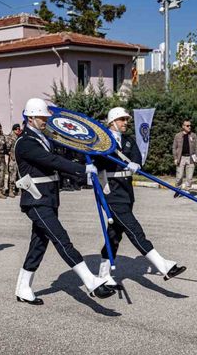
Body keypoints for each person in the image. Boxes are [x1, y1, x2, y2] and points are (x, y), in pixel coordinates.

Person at [13, 98, 115, 305]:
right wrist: (81, 169)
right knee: (61, 239)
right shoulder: (25, 142)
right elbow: (52, 161)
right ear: (31, 118)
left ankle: (23, 287)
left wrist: (85, 167)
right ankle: (91, 282)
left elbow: (59, 161)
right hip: (36, 200)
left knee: (38, 245)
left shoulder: (45, 138)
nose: (45, 121)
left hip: (49, 198)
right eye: (42, 118)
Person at [94, 107, 187, 287]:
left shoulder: (128, 141)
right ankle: (163, 266)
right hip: (111, 193)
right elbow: (96, 160)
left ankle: (104, 276)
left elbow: (137, 157)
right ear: (112, 121)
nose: (125, 123)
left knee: (114, 235)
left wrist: (136, 164)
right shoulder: (102, 142)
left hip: (127, 192)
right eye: (122, 120)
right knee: (134, 229)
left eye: (127, 120)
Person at [172, 119, 197, 197]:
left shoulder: (193, 135)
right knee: (179, 176)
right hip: (181, 158)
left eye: (190, 125)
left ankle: (187, 190)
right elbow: (174, 147)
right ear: (183, 126)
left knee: (189, 177)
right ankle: (177, 189)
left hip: (191, 158)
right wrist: (175, 158)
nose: (189, 127)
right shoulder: (178, 136)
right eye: (187, 125)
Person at [6, 124, 22, 198]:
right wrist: (10, 154)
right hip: (13, 159)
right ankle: (11, 191)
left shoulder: (20, 136)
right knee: (12, 175)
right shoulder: (10, 137)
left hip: (20, 159)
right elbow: (7, 148)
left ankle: (20, 190)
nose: (18, 130)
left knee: (20, 175)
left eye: (19, 129)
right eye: (16, 129)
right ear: (13, 129)